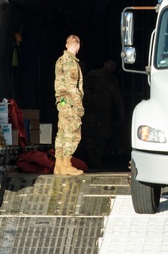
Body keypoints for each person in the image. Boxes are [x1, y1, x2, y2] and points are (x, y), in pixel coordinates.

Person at [84, 59, 126, 167]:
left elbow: (117, 97)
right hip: (92, 111)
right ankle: (90, 158)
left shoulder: (113, 80)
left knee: (102, 136)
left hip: (105, 113)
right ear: (105, 64)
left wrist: (121, 111)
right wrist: (88, 104)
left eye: (115, 66)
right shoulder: (94, 75)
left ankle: (97, 159)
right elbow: (85, 89)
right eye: (111, 64)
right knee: (90, 134)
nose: (113, 67)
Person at [53, 34, 85, 176]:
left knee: (62, 132)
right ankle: (66, 163)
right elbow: (72, 87)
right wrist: (79, 106)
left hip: (62, 102)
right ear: (77, 46)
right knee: (73, 133)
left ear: (67, 45)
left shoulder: (60, 60)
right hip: (70, 103)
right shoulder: (71, 63)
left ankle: (58, 165)